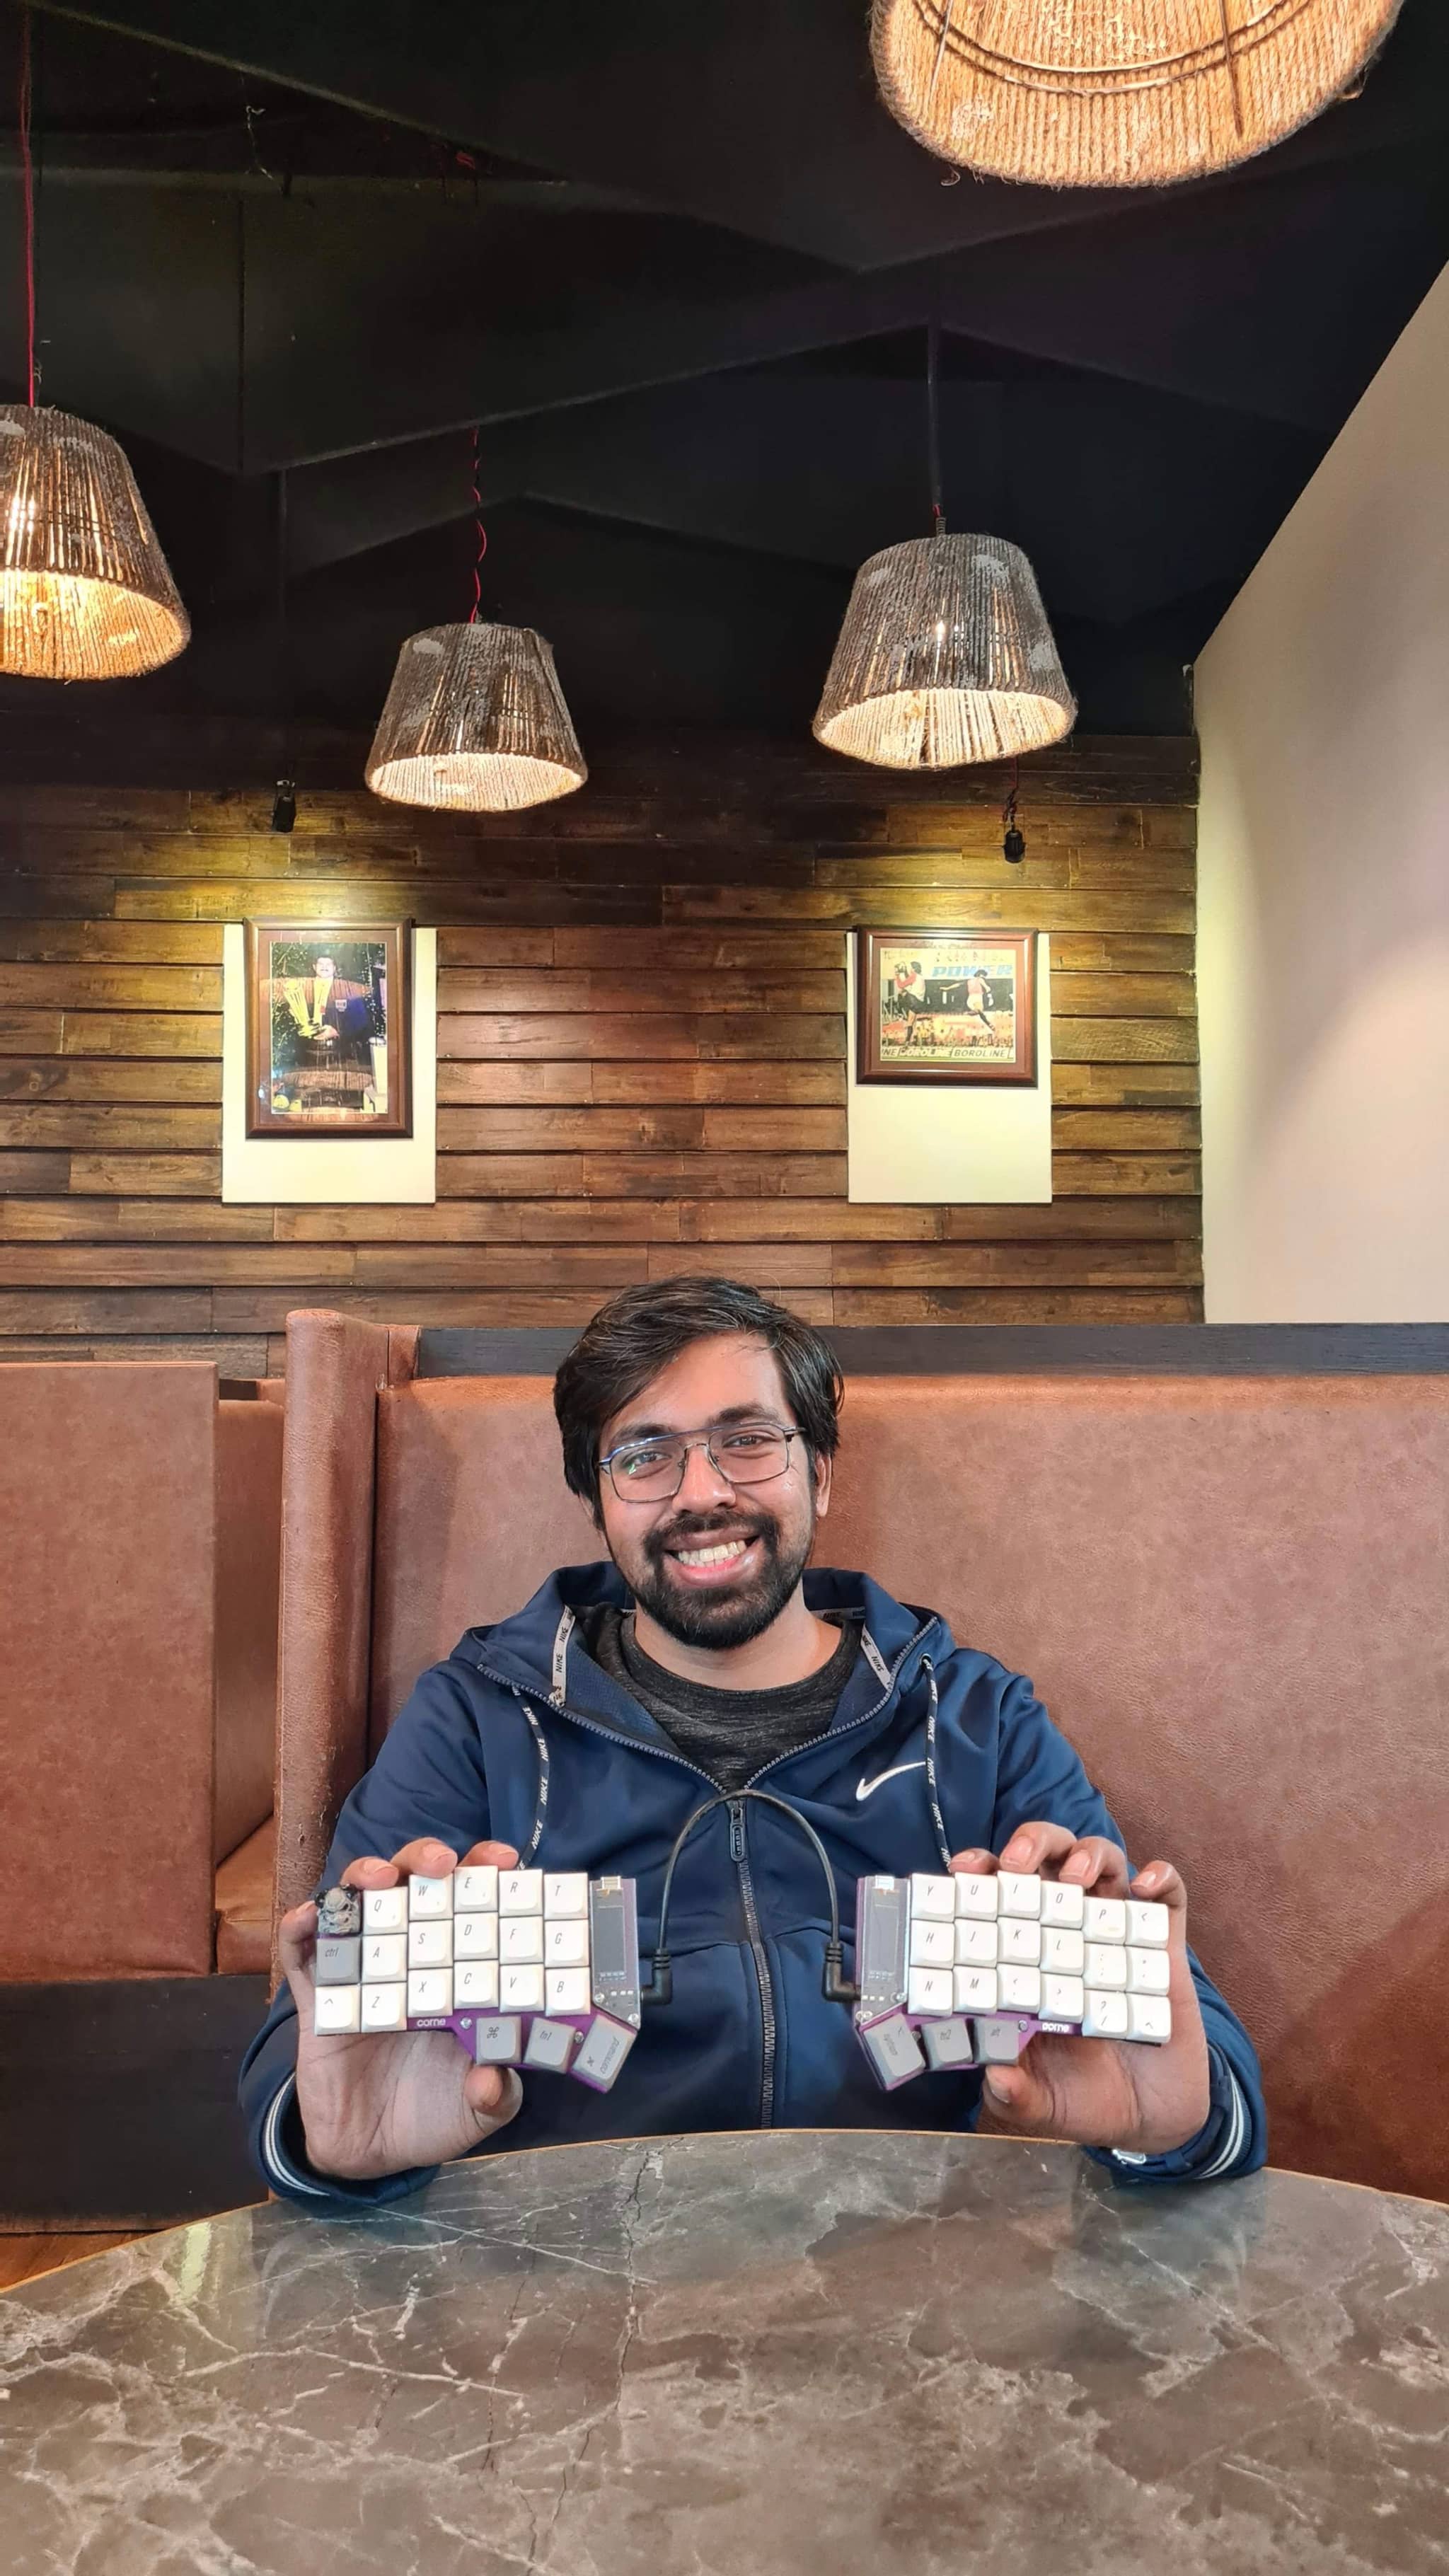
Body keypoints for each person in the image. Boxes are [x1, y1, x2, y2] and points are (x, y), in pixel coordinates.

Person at [241, 1278, 1264, 2207]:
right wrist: (331, 2141)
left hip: (924, 2298)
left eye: (747, 1439)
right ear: (598, 1502)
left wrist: (1176, 2123)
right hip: (565, 2305)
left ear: (818, 1472)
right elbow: (322, 2038)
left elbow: (1181, 2043)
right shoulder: (476, 1717)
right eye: (645, 1454)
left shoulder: (976, 1718)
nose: (700, 1492)